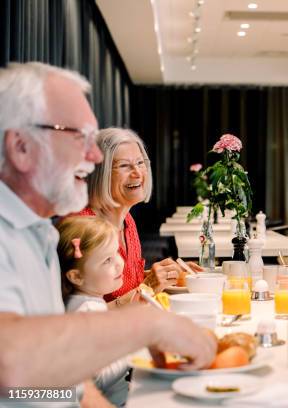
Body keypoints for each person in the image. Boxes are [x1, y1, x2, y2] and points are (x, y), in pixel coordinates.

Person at [0, 62, 217, 399]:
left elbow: (64, 376)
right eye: (78, 136)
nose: (94, 155)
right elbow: (9, 361)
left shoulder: (39, 231)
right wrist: (148, 324)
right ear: (21, 148)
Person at [75, 127, 202, 307]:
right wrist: (148, 287)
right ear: (100, 173)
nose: (137, 173)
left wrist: (169, 273)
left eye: (140, 163)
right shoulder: (83, 228)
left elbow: (122, 283)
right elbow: (83, 313)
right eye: (125, 165)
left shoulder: (127, 221)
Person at [57, 216, 130, 406]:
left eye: (116, 253)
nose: (119, 263)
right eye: (107, 260)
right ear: (77, 276)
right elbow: (94, 378)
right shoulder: (87, 312)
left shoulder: (86, 303)